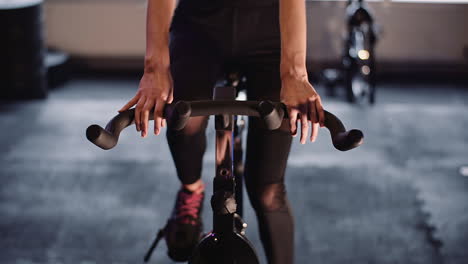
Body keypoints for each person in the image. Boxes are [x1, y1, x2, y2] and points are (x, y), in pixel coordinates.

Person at [119, 0, 325, 263]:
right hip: (198, 30)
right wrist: (155, 68)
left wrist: (295, 74)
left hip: (271, 34)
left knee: (269, 191)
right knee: (185, 119)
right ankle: (191, 189)